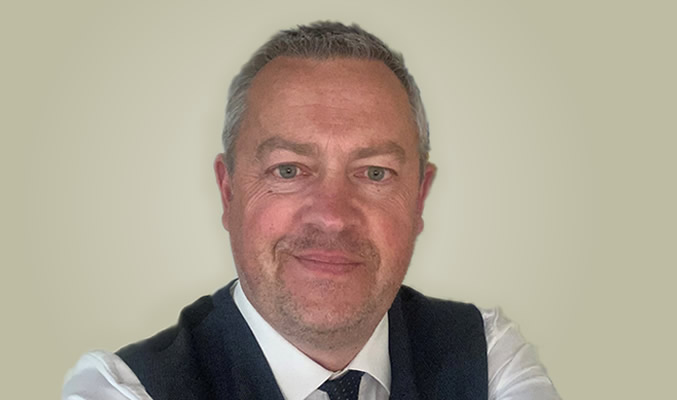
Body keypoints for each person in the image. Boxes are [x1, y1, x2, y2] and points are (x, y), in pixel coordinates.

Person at [62, 22, 560, 400]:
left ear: (419, 198)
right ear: (228, 192)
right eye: (288, 170)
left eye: (375, 173)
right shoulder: (124, 387)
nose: (332, 216)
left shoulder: (487, 355)